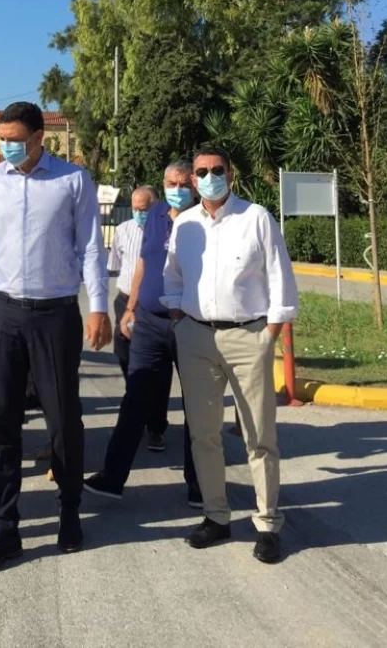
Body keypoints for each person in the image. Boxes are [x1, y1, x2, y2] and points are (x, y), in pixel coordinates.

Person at [0, 101, 111, 572]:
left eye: (15, 140)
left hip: (56, 314)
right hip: (5, 311)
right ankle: (3, 527)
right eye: (2, 139)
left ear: (38, 138)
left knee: (64, 419)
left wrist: (99, 307)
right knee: (1, 420)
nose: (7, 146)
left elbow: (91, 247)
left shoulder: (72, 180)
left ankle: (70, 510)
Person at [162, 147, 298, 565]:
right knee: (203, 434)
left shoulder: (256, 217)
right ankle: (216, 516)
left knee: (259, 436)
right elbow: (172, 276)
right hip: (196, 337)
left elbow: (279, 275)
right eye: (201, 172)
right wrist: (178, 319)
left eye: (216, 170)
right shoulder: (184, 224)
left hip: (248, 336)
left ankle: (268, 524)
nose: (208, 177)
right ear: (193, 179)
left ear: (230, 174)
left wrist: (269, 332)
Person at [84, 161, 201, 506]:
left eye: (183, 183)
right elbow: (143, 264)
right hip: (148, 322)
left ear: (194, 186)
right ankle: (112, 477)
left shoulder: (205, 219)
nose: (177, 189)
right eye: (171, 183)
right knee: (135, 398)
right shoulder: (156, 216)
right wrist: (131, 308)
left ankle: (199, 484)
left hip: (190, 324)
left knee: (196, 406)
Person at [108, 186, 157, 388]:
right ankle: (133, 389)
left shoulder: (165, 230)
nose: (138, 213)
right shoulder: (123, 230)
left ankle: (148, 397)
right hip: (125, 298)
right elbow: (115, 264)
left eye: (143, 209)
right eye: (134, 209)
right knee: (123, 347)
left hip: (150, 302)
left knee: (150, 353)